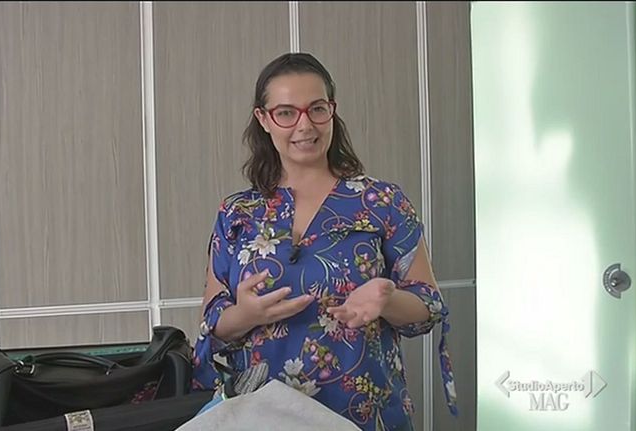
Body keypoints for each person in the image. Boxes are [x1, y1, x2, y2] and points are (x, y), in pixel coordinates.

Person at [191, 52, 457, 431]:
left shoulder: (381, 201)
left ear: (332, 111)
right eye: (286, 113)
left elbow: (428, 306)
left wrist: (387, 299)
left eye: (317, 109)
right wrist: (246, 315)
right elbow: (213, 322)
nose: (305, 125)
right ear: (263, 119)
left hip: (363, 414)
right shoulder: (237, 212)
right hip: (261, 418)